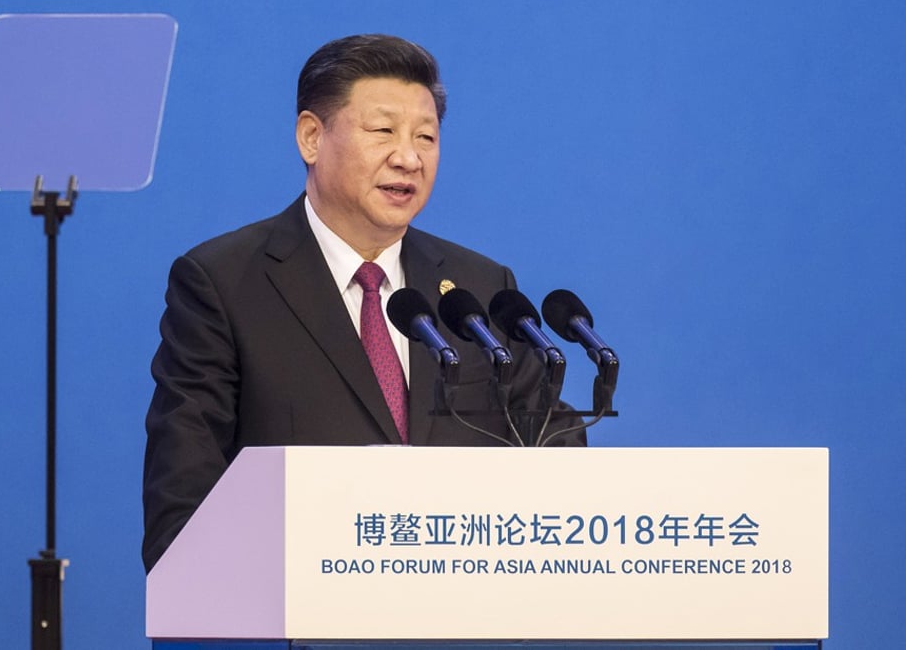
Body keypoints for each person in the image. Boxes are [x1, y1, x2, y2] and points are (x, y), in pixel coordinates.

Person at [142, 34, 584, 573]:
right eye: (383, 132)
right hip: (296, 608)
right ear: (311, 137)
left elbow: (554, 458)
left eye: (427, 136)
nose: (409, 157)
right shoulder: (224, 282)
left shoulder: (480, 289)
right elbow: (185, 494)